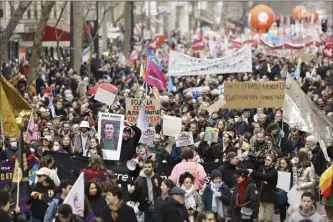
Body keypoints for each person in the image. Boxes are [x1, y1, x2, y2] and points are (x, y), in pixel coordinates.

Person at [248, 154, 278, 222]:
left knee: (268, 219)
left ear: (273, 163)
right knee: (260, 218)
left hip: (269, 198)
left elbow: (266, 177)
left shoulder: (274, 172)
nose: (266, 161)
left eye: (268, 160)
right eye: (266, 159)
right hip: (260, 197)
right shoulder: (261, 169)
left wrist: (253, 172)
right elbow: (255, 177)